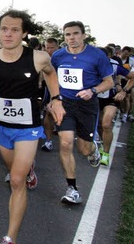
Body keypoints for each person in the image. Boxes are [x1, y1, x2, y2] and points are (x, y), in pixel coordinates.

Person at [0, 10, 63, 244]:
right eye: (4, 29)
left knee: (16, 180)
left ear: (24, 32)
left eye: (15, 30)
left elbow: (50, 74)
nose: (8, 34)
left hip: (28, 127)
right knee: (13, 168)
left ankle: (10, 237)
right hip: (2, 126)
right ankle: (29, 170)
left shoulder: (38, 57)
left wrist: (56, 99)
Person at [51, 21, 114, 205]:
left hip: (87, 105)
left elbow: (109, 82)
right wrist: (52, 100)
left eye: (76, 34)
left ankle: (94, 148)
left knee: (84, 149)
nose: (72, 38)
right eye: (68, 35)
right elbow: (52, 78)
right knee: (65, 142)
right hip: (65, 104)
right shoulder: (58, 56)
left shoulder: (97, 55)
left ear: (84, 35)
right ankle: (72, 189)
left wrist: (92, 91)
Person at [97, 46, 134, 166]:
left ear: (107, 57)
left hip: (111, 97)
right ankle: (103, 144)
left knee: (106, 124)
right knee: (100, 125)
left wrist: (124, 91)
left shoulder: (114, 65)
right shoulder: (88, 65)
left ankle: (105, 154)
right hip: (95, 98)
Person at [40, 37, 60, 151]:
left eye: (52, 48)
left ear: (57, 47)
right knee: (48, 114)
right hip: (50, 92)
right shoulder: (44, 59)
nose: (49, 50)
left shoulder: (63, 58)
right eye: (47, 48)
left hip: (67, 93)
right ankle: (48, 141)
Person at [119, 46, 134, 123]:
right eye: (126, 54)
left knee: (128, 98)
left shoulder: (132, 60)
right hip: (118, 81)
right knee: (120, 98)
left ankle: (127, 114)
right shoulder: (117, 59)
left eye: (129, 54)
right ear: (122, 51)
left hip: (127, 81)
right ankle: (122, 112)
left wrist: (129, 74)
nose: (127, 56)